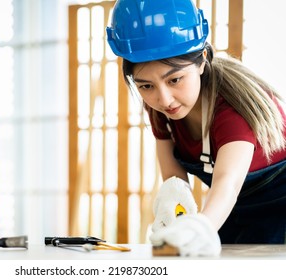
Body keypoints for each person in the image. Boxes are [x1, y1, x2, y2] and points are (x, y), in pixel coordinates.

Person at [106, 0, 286, 256]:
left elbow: (228, 182)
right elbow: (174, 179)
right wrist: (174, 213)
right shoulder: (160, 110)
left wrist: (201, 227)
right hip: (231, 208)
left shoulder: (232, 108)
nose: (164, 99)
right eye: (146, 86)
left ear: (202, 59)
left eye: (175, 79)